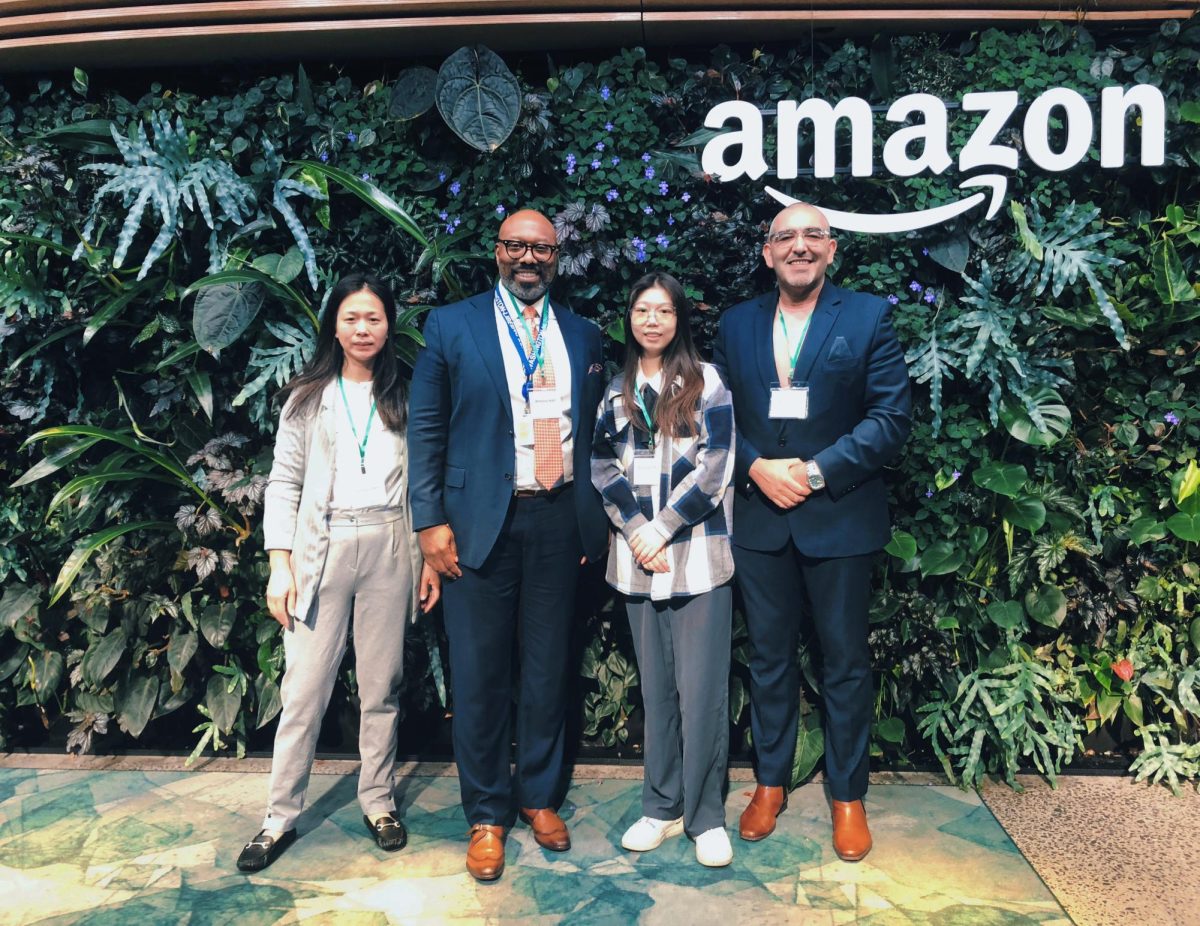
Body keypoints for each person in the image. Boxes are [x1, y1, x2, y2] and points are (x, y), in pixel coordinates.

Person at [407, 208, 608, 882]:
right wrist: (429, 521)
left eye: (541, 248)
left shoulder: (581, 334)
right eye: (516, 246)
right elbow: (426, 430)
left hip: (558, 519)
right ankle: (487, 814)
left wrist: (590, 518)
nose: (529, 258)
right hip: (475, 525)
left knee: (549, 668)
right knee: (481, 675)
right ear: (497, 252)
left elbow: (598, 434)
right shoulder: (451, 325)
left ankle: (540, 797)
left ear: (557, 256)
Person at [713, 202, 911, 862]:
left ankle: (847, 796)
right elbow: (714, 420)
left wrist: (819, 472)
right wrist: (754, 468)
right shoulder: (737, 324)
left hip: (840, 520)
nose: (799, 246)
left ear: (832, 251)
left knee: (845, 663)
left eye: (812, 237)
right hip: (760, 521)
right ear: (767, 254)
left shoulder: (867, 317)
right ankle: (769, 783)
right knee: (768, 660)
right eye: (785, 237)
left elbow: (889, 420)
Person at [236, 272, 441, 873]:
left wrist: (427, 558)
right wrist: (280, 563)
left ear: (388, 324)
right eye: (351, 318)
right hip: (320, 547)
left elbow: (424, 482)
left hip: (389, 545)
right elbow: (284, 482)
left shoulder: (407, 395)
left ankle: (378, 802)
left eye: (373, 318)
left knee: (383, 687)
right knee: (303, 691)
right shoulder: (306, 397)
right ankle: (278, 817)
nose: (362, 329)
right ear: (334, 324)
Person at [591, 272, 737, 867]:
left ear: (680, 320)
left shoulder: (708, 383)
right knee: (656, 692)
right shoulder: (615, 391)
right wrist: (635, 529)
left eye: (664, 311)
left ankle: (706, 818)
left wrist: (664, 526)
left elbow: (718, 465)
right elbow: (603, 466)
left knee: (701, 692)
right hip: (637, 561)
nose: (652, 320)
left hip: (697, 558)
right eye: (642, 310)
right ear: (630, 318)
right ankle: (661, 806)